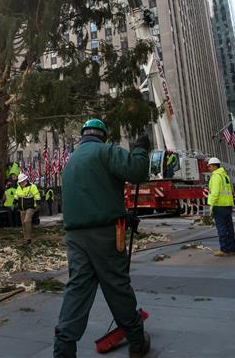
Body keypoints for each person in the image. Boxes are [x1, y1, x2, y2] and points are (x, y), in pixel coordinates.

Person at [54, 119, 151, 358]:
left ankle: (63, 349)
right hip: (106, 235)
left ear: (83, 136)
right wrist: (140, 149)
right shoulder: (106, 151)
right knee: (117, 286)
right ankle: (137, 342)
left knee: (77, 290)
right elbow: (138, 172)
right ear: (103, 136)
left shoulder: (71, 161)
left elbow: (93, 195)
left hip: (75, 237)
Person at [206, 157, 235, 256]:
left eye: (209, 166)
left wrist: (211, 206)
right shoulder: (225, 176)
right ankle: (231, 249)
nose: (208, 168)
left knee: (222, 228)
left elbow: (214, 193)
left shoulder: (215, 177)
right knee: (229, 228)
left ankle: (224, 249)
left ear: (214, 166)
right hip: (227, 205)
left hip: (219, 206)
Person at [15, 173, 41, 243]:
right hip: (22, 208)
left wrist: (38, 204)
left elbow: (37, 195)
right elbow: (16, 195)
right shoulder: (18, 188)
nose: (22, 182)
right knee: (23, 224)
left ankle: (28, 238)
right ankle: (26, 238)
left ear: (26, 180)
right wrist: (15, 202)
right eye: (20, 182)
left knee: (26, 221)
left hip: (30, 207)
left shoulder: (33, 187)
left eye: (23, 181)